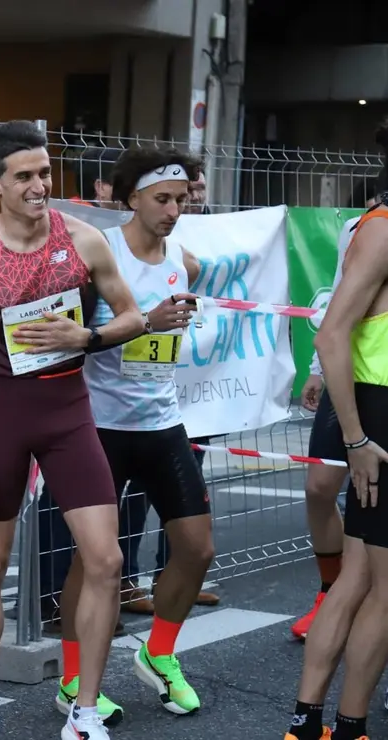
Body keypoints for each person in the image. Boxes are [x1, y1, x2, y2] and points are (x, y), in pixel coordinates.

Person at [0, 120, 145, 740]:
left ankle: (84, 710)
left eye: (45, 173)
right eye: (24, 176)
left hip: (69, 409)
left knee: (105, 560)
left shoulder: (83, 239)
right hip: (2, 413)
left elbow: (133, 315)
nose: (39, 186)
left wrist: (86, 336)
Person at [81, 145, 214, 720]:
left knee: (196, 548)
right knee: (94, 563)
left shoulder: (184, 263)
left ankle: (159, 654)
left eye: (181, 200)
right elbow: (73, 336)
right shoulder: (99, 254)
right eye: (162, 199)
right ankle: (71, 678)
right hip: (100, 427)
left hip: (161, 421)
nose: (173, 210)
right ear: (129, 198)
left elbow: (173, 334)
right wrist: (142, 324)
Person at [283, 176, 388, 740]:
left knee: (356, 579)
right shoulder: (382, 229)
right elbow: (331, 336)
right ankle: (349, 728)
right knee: (381, 592)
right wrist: (355, 440)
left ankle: (308, 725)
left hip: (376, 411)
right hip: (379, 415)